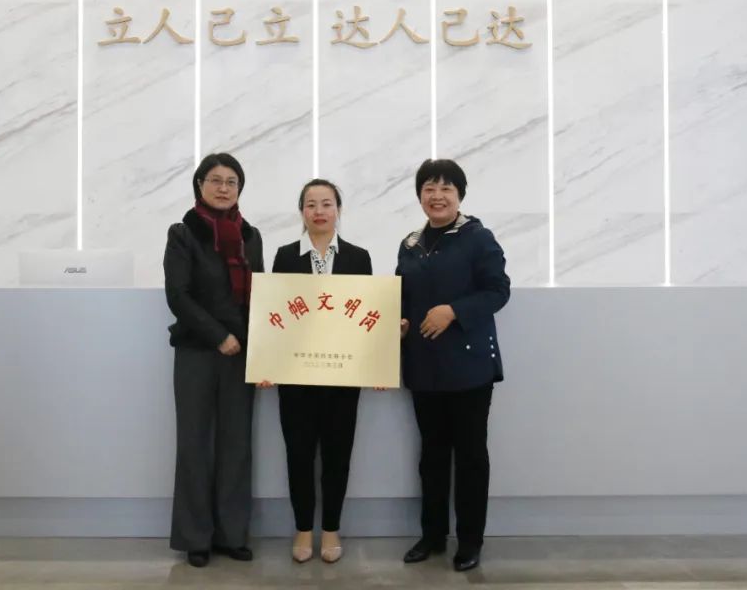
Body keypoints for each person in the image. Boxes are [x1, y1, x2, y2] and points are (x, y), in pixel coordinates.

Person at [396, 159, 511, 572]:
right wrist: (401, 320)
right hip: (423, 366)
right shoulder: (409, 244)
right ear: (419, 196)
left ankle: (470, 541)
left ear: (460, 195)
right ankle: (432, 536)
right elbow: (401, 295)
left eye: (446, 188)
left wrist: (454, 311)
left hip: (468, 369)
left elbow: (498, 290)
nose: (437, 195)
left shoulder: (478, 238)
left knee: (470, 457)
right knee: (431, 456)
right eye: (429, 188)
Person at [260, 179, 373, 563]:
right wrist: (266, 363)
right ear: (302, 212)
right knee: (299, 455)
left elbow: (368, 316)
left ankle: (332, 528)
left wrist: (377, 364)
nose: (319, 211)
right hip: (296, 379)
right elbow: (274, 315)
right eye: (311, 204)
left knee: (338, 456)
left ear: (338, 209)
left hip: (343, 377)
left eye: (327, 203)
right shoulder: (285, 256)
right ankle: (303, 528)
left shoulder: (358, 257)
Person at [163, 152, 264, 568]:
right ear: (199, 185)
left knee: (236, 444)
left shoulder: (251, 235)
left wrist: (264, 347)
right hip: (198, 351)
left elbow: (262, 296)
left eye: (232, 182)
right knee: (195, 444)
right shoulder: (183, 233)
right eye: (216, 180)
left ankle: (231, 534)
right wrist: (218, 336)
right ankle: (196, 538)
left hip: (243, 354)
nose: (224, 188)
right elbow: (178, 295)